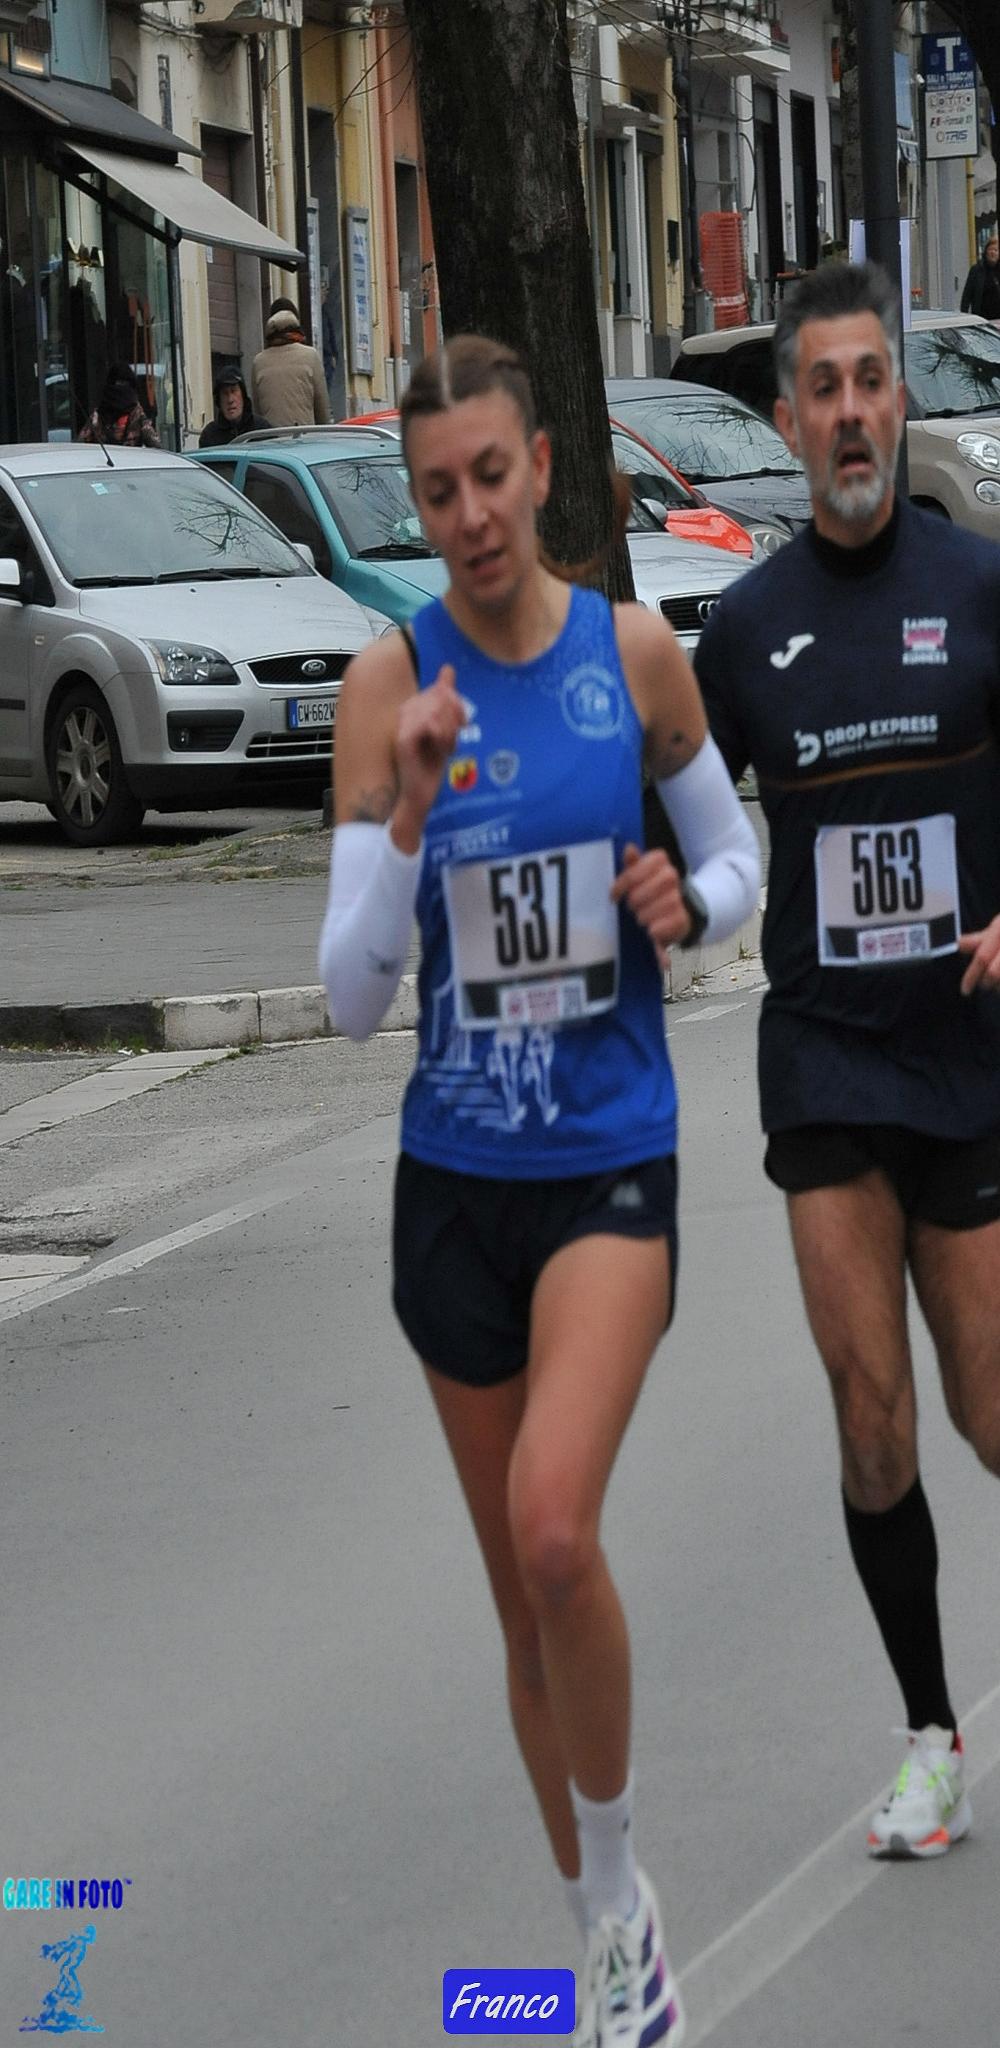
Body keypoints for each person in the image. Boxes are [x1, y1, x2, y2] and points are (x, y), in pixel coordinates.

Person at [318, 334, 760, 2046]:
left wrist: (687, 904)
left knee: (557, 1529)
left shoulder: (631, 654)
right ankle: (600, 1928)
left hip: (607, 1161)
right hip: (455, 1187)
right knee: (521, 1599)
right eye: (439, 493)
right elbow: (352, 998)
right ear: (418, 505)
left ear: (544, 470)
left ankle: (623, 1884)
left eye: (493, 478)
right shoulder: (387, 691)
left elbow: (734, 857)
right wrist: (412, 811)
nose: (472, 516)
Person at [694, 259, 1000, 1861]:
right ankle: (930, 1737)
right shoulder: (748, 631)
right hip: (823, 1061)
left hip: (971, 1050)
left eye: (873, 379)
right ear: (789, 421)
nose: (854, 412)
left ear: (901, 394)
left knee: (989, 1414)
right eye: (824, 388)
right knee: (871, 1412)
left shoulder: (982, 583)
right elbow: (685, 831)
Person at [250, 297, 330, 429]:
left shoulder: (258, 362)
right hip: (304, 438)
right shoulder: (311, 356)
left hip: (270, 439)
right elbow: (322, 410)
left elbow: (257, 411)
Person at [78, 361, 159, 447]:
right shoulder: (137, 413)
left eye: (125, 384)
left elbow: (80, 444)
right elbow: (154, 443)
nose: (121, 390)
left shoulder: (97, 416)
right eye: (119, 384)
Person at [198, 363, 256, 447]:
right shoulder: (209, 436)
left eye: (233, 391)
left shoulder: (262, 431)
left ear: (243, 395)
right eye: (225, 393)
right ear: (219, 400)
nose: (230, 400)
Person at [960, 234, 1000, 322]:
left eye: (996, 250)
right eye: (990, 249)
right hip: (981, 318)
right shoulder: (976, 270)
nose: (993, 252)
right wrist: (964, 317)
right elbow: (967, 295)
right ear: (986, 252)